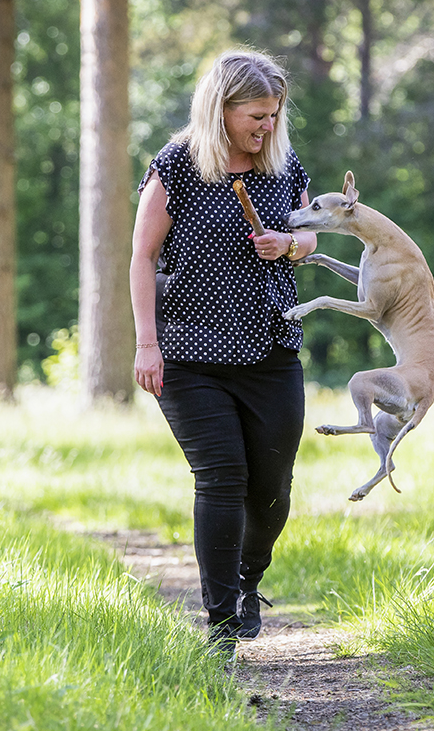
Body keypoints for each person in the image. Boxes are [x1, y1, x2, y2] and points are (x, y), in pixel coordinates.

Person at [129, 48, 317, 654]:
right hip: (189, 355)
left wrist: (290, 244)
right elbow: (141, 258)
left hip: (270, 350)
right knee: (221, 478)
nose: (266, 127)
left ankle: (245, 582)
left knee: (272, 490)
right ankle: (221, 623)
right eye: (255, 116)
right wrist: (147, 344)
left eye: (273, 115)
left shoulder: (284, 167)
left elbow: (315, 234)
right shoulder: (177, 166)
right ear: (222, 109)